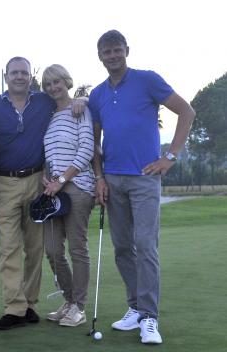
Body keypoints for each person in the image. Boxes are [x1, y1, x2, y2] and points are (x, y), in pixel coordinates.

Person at [89, 30, 195, 344]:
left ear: (126, 51)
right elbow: (95, 144)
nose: (112, 56)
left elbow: (186, 111)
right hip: (113, 179)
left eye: (116, 50)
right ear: (100, 56)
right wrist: (99, 177)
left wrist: (170, 156)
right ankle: (134, 308)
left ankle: (149, 317)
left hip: (145, 178)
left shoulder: (147, 80)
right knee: (123, 247)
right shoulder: (97, 95)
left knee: (146, 246)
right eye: (106, 52)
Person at [0, 57, 86, 330]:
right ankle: (13, 308)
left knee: (35, 248)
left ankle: (29, 304)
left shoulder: (43, 101)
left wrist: (83, 99)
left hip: (37, 183)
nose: (19, 77)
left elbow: (66, 97)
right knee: (9, 248)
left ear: (31, 77)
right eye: (14, 72)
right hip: (4, 182)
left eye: (24, 73)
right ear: (6, 76)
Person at [40, 64, 95, 327]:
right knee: (51, 249)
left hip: (78, 186)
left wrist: (62, 180)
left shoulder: (80, 110)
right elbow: (50, 153)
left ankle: (79, 307)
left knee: (77, 248)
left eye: (56, 82)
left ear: (66, 81)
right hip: (54, 189)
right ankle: (69, 300)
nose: (53, 87)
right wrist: (46, 175)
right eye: (48, 84)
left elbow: (87, 150)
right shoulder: (51, 116)